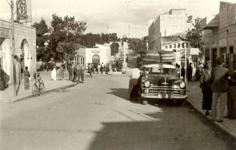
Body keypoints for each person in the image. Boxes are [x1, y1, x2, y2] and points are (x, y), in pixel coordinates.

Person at [211, 57, 229, 122]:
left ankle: (213, 117)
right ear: (222, 62)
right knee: (222, 104)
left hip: (215, 89)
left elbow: (212, 79)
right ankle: (219, 118)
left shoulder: (213, 69)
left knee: (214, 103)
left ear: (216, 62)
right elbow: (228, 78)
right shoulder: (226, 70)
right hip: (223, 89)